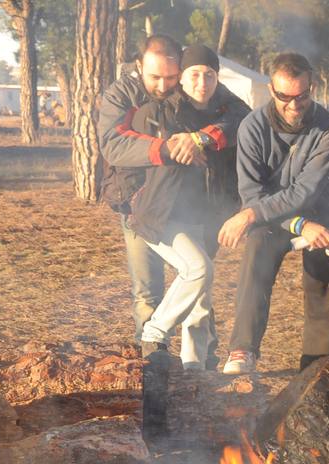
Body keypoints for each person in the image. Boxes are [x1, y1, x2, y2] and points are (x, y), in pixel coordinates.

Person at [218, 52, 329, 375]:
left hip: (323, 209)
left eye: (302, 96)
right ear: (271, 90)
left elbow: (305, 191)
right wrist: (296, 224)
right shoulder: (252, 127)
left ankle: (320, 369)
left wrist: (254, 215)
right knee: (256, 259)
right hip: (273, 215)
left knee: (325, 285)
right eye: (284, 97)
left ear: (312, 88)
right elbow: (252, 195)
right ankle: (242, 350)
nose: (294, 105)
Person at [123, 45, 249, 370]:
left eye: (209, 74)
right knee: (198, 271)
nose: (202, 81)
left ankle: (194, 370)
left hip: (206, 214)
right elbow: (139, 153)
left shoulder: (228, 109)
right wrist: (185, 144)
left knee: (201, 299)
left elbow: (243, 120)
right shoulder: (162, 110)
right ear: (181, 77)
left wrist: (204, 138)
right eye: (194, 74)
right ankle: (154, 332)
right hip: (162, 214)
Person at [97, 34, 183, 350]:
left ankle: (198, 365)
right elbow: (113, 146)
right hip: (135, 203)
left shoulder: (193, 87)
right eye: (155, 77)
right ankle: (152, 365)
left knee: (198, 282)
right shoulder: (121, 95)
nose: (163, 85)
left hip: (184, 204)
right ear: (138, 66)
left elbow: (235, 115)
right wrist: (166, 149)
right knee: (147, 290)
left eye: (171, 77)